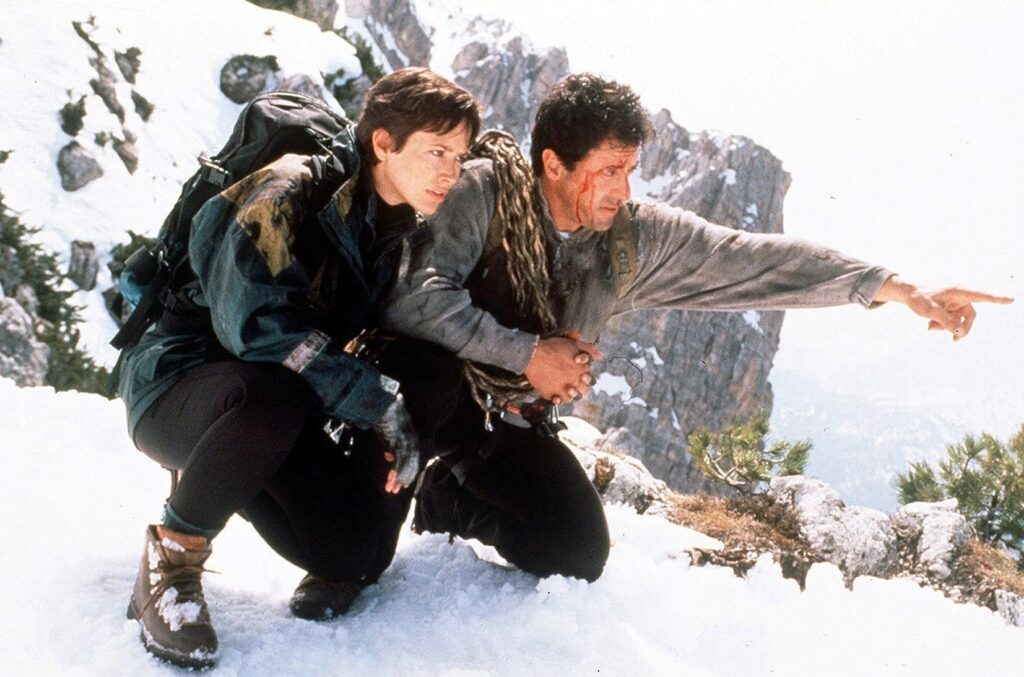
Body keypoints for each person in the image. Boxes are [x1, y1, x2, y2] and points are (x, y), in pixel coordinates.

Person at [380, 72, 1013, 584]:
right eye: (608, 169)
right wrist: (531, 356)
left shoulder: (628, 240)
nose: (623, 189)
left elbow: (752, 260)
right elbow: (415, 299)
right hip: (429, 398)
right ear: (553, 162)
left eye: (630, 169)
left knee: (575, 553)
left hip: (508, 422)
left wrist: (896, 288)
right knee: (361, 551)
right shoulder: (482, 191)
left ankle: (450, 498)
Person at [118, 68, 480, 668]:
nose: (451, 172)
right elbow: (258, 329)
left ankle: (336, 540)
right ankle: (172, 558)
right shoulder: (285, 190)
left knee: (356, 554)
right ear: (383, 142)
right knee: (277, 393)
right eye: (437, 151)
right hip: (180, 386)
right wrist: (376, 401)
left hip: (276, 410)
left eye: (459, 156)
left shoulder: (393, 225)